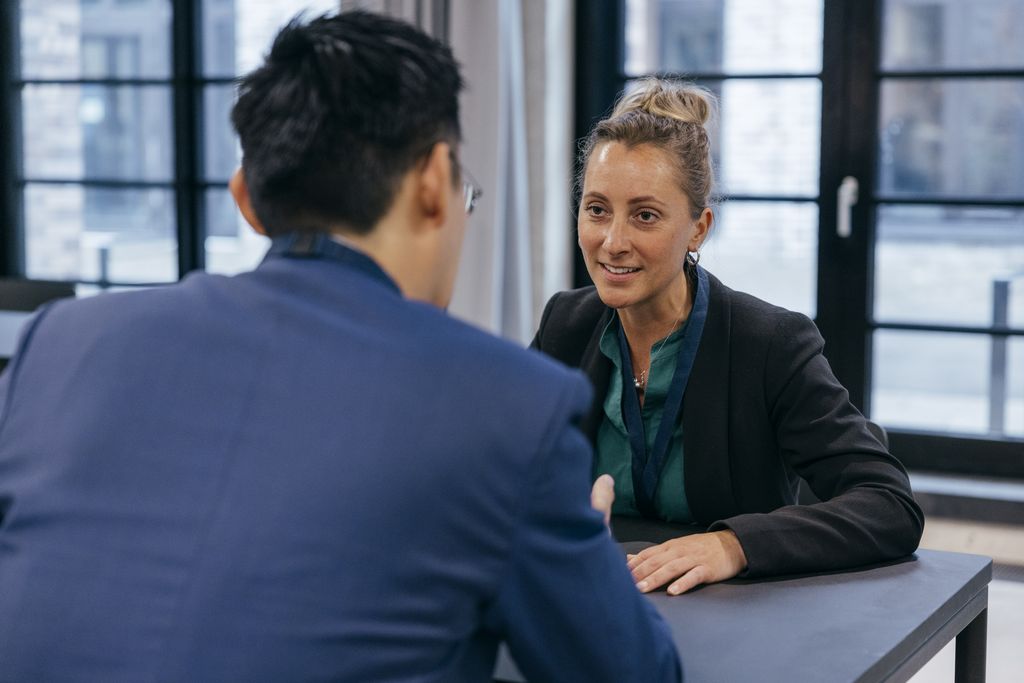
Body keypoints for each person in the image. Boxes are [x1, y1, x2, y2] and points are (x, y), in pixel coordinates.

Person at [0, 13, 681, 682]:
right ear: (432, 183)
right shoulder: (506, 407)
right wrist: (580, 544)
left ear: (247, 199)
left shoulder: (57, 345)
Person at [532, 78, 924, 596]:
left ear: (698, 229)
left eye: (645, 215)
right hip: (595, 601)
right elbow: (509, 470)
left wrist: (734, 545)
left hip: (734, 617)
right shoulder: (567, 322)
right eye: (597, 209)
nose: (613, 241)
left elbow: (889, 504)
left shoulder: (772, 343)